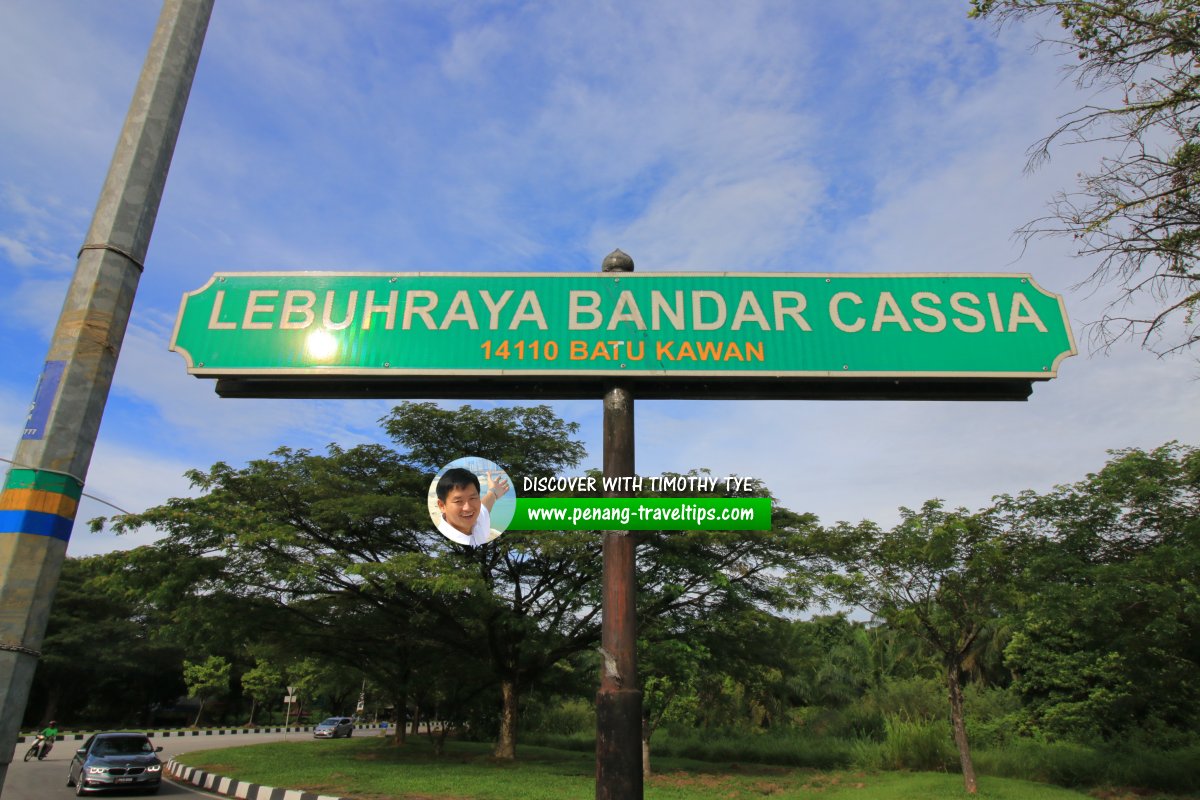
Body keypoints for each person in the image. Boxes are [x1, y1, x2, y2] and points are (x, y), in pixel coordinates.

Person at [434, 467, 509, 547]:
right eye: (458, 501)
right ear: (442, 506)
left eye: (472, 498)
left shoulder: (478, 520)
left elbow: (485, 506)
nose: (468, 508)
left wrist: (493, 491)